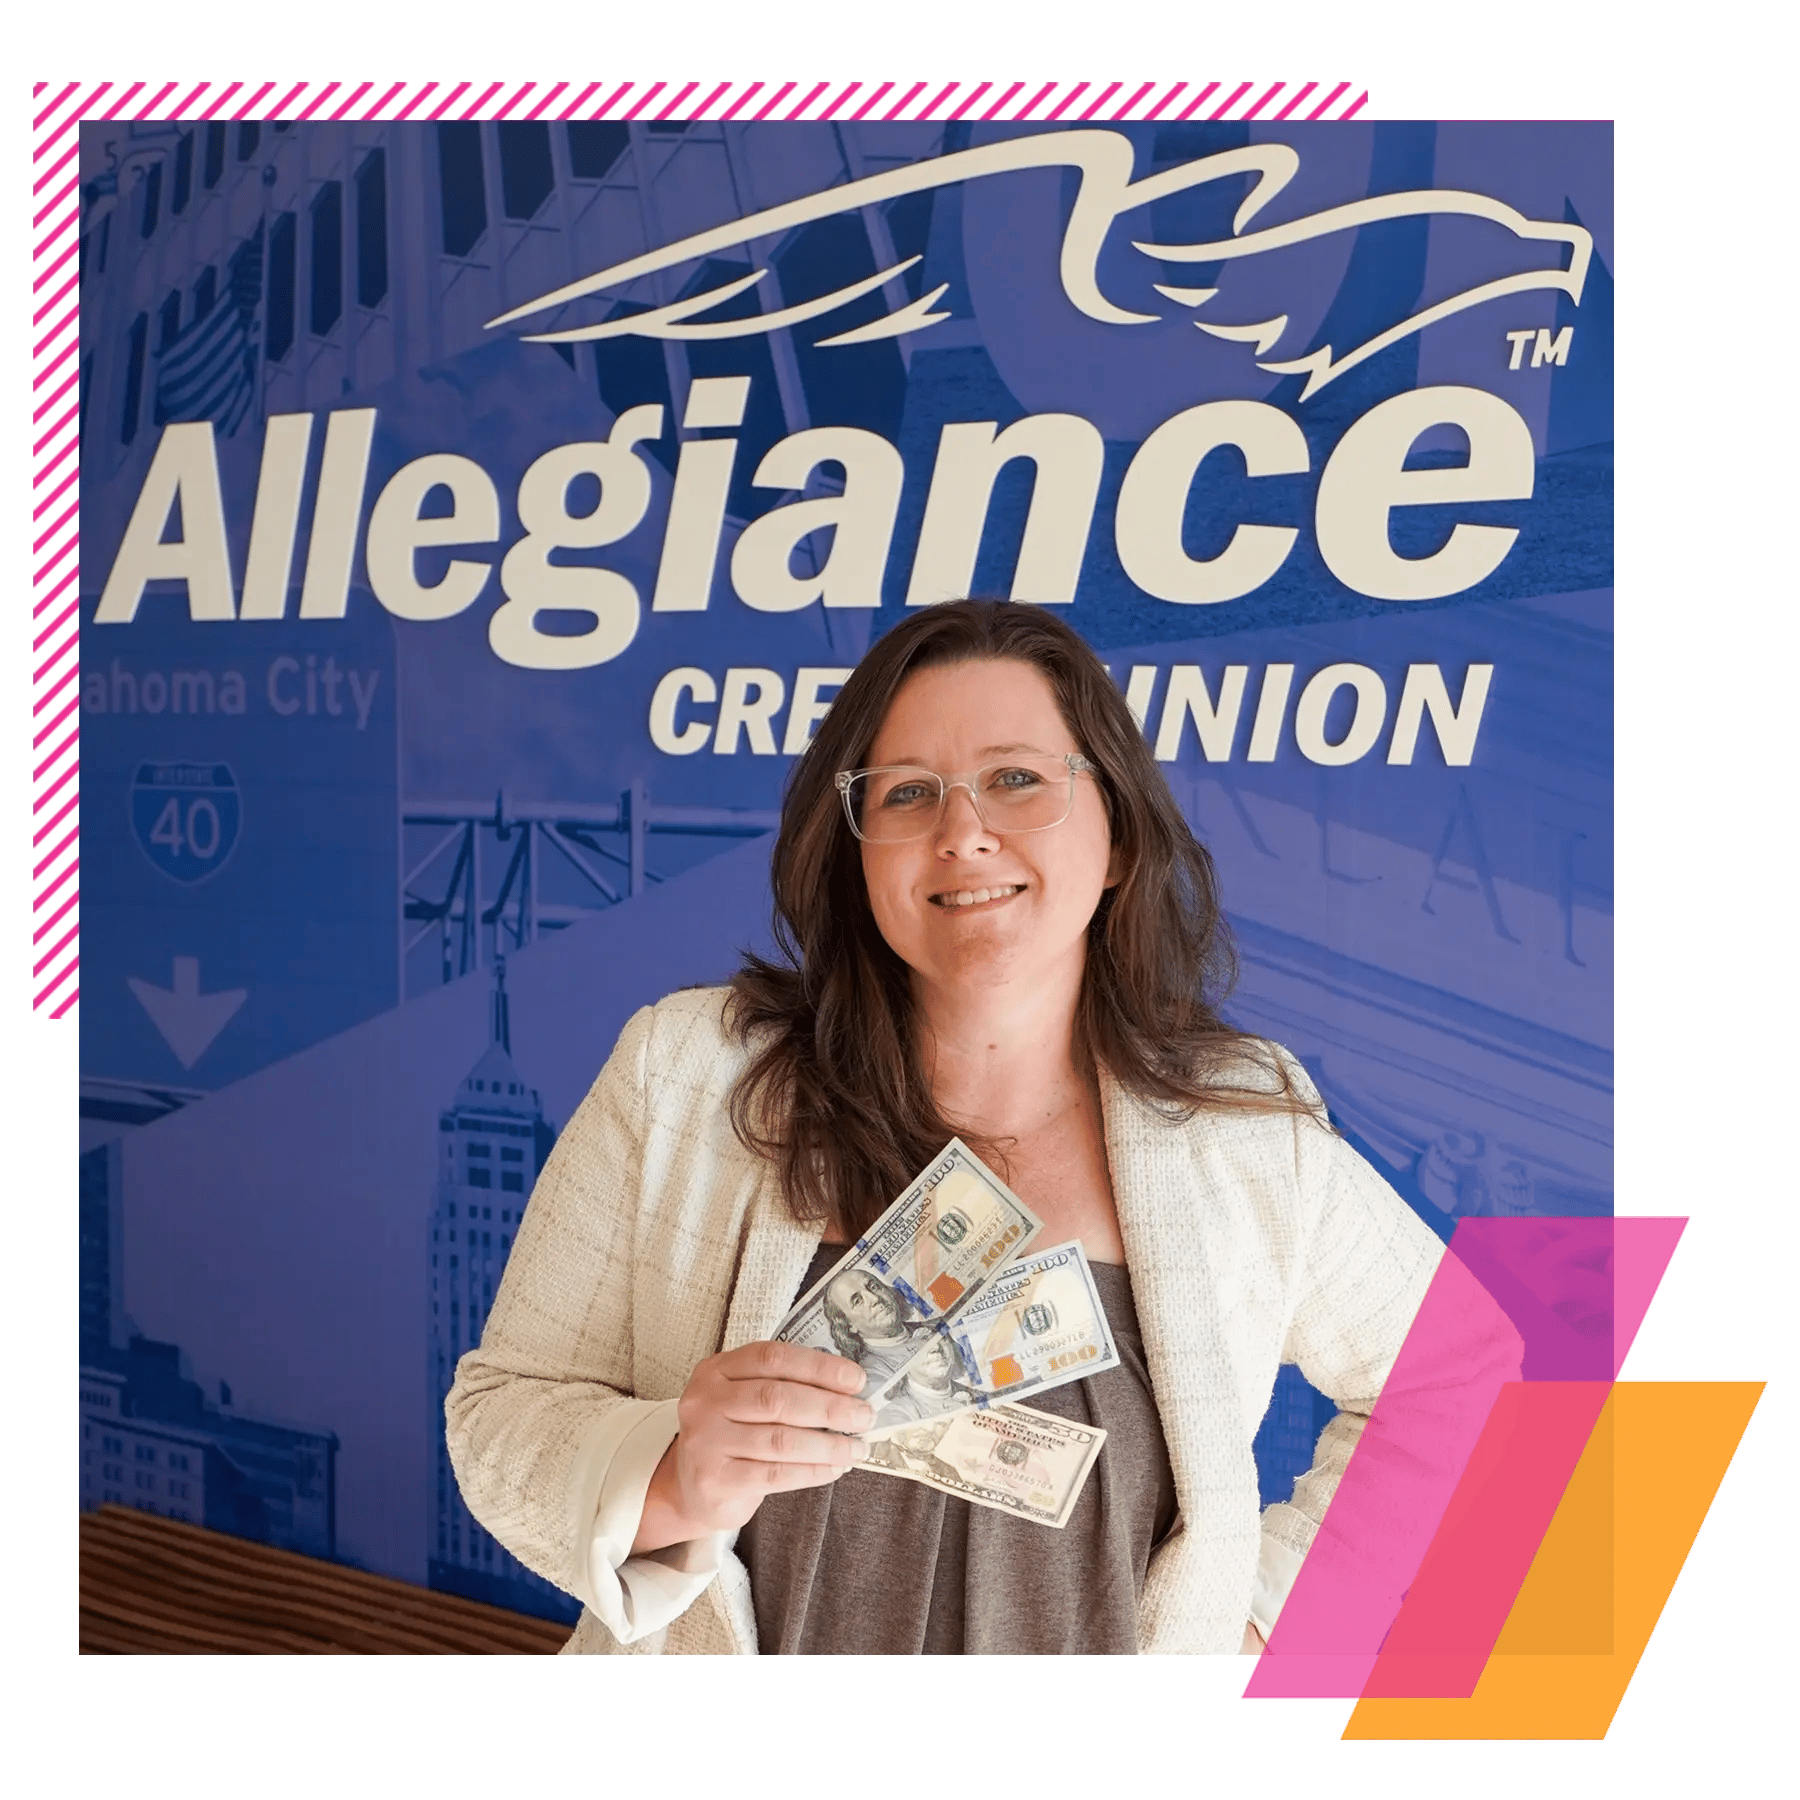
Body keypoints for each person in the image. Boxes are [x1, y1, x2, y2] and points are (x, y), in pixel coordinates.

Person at [445, 600, 1516, 1656]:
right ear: (857, 852)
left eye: (1016, 779)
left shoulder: (1244, 1130)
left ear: (1115, 836)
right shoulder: (685, 1073)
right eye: (908, 793)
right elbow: (502, 1413)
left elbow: (1468, 1380)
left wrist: (1259, 1620)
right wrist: (673, 1473)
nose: (962, 832)